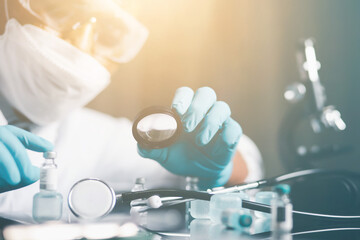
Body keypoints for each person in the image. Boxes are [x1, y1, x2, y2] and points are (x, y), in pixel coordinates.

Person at [0, 0, 263, 223]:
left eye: (109, 34)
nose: (79, 43)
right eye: (60, 11)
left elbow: (248, 167)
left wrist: (218, 166)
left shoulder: (92, 138)